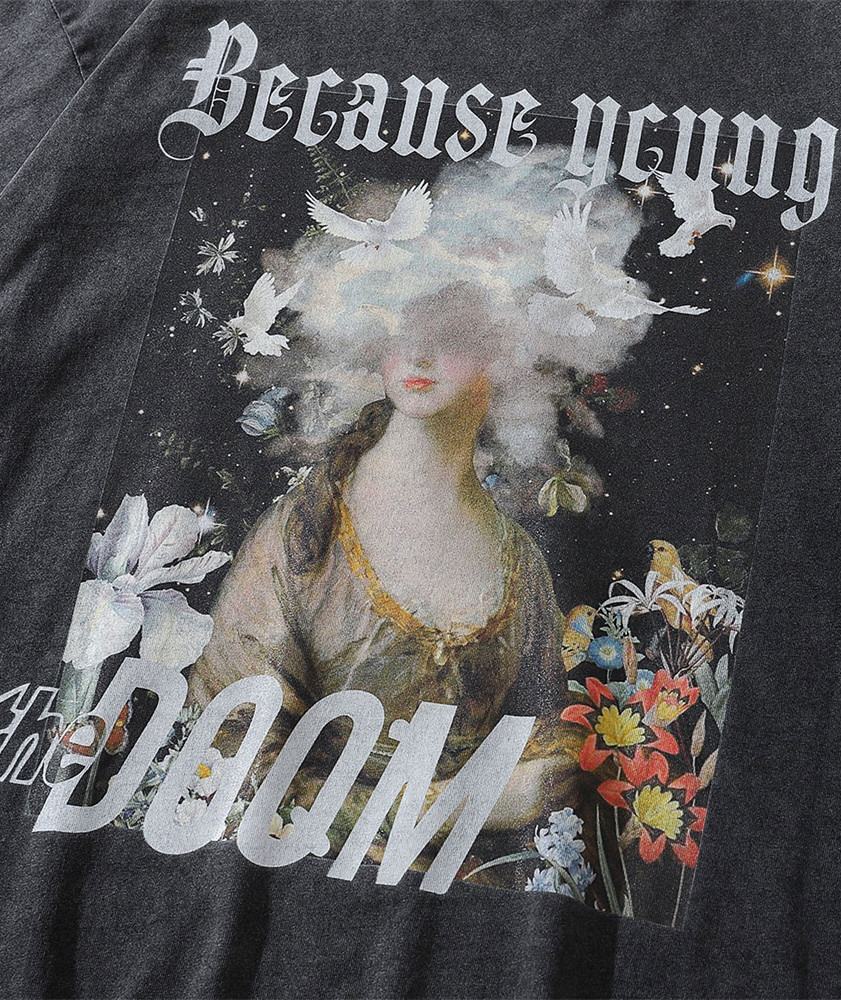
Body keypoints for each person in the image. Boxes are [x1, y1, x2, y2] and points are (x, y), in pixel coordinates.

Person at [187, 287, 581, 884]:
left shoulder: (522, 562)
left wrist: (549, 773)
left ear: (500, 358)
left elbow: (544, 740)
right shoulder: (304, 533)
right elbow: (232, 755)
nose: (418, 355)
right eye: (401, 335)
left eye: (450, 339)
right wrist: (455, 805)